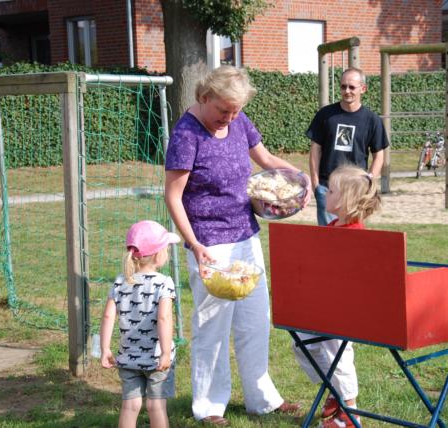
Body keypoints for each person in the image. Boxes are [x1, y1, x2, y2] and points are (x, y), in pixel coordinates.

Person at [164, 65, 306, 426]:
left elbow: (266, 160)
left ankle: (262, 400)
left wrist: (299, 179)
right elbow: (173, 196)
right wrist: (194, 244)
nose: (228, 118)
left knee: (256, 321)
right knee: (212, 326)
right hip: (209, 244)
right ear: (204, 96)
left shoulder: (239, 121)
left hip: (246, 236)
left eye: (235, 111)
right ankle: (209, 406)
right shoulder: (186, 134)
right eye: (223, 110)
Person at [292, 164, 382, 428]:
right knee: (302, 344)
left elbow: (359, 280)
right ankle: (335, 391)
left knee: (338, 355)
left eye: (330, 191)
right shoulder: (333, 226)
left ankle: (350, 414)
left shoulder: (355, 235)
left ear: (345, 200)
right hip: (323, 306)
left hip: (343, 312)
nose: (324, 193)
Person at [99, 220, 180, 428]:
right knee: (156, 406)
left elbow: (107, 317)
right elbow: (164, 318)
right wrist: (165, 352)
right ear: (158, 255)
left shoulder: (120, 282)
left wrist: (105, 349)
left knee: (130, 406)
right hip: (156, 358)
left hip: (128, 357)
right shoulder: (164, 283)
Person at [307, 67, 388, 226]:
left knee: (353, 238)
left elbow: (379, 155)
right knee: (328, 238)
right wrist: (316, 185)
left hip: (356, 191)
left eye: (352, 87)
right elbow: (315, 150)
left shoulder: (372, 120)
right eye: (343, 86)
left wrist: (369, 181)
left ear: (363, 89)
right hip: (328, 189)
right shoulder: (325, 115)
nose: (347, 91)